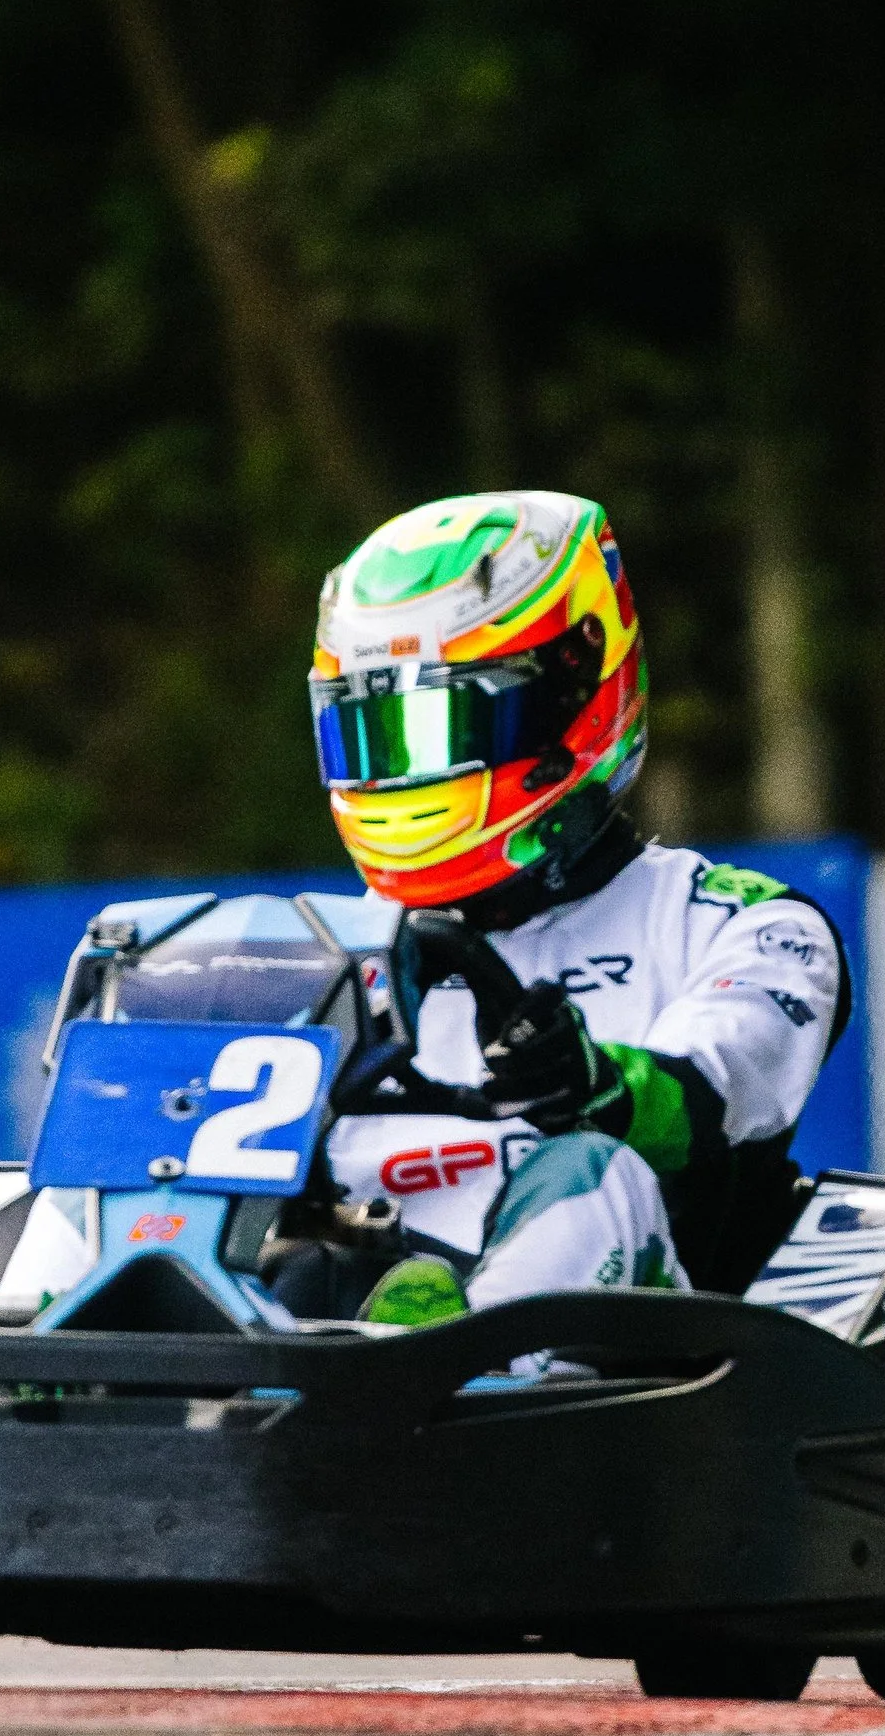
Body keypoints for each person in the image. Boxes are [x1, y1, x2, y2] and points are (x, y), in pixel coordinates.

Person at [307, 488, 846, 1324]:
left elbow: (709, 1090)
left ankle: (442, 1374)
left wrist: (599, 1080)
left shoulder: (742, 924)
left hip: (642, 1376)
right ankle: (58, 1383)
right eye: (376, 734)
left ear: (573, 688)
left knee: (588, 1170)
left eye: (442, 724)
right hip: (340, 1341)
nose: (406, 776)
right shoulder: (329, 959)